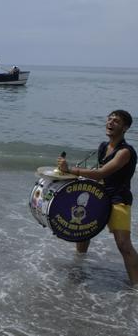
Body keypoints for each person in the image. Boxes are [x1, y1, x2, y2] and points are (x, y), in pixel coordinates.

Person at [58, 110, 138, 286]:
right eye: (109, 119)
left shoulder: (125, 152)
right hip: (100, 195)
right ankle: (79, 266)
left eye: (116, 121)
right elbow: (100, 177)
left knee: (124, 245)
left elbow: (102, 172)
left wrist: (70, 170)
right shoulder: (103, 146)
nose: (110, 123)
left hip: (118, 199)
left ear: (125, 128)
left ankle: (136, 287)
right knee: (83, 231)